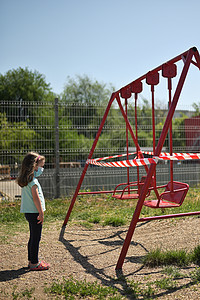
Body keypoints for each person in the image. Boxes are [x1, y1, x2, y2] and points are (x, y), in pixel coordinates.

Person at [16, 152, 50, 271]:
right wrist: (41, 213)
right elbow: (36, 199)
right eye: (41, 165)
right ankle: (34, 263)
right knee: (36, 238)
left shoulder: (26, 180)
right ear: (34, 166)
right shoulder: (33, 182)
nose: (42, 168)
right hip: (35, 214)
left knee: (33, 237)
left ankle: (31, 260)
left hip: (28, 213)